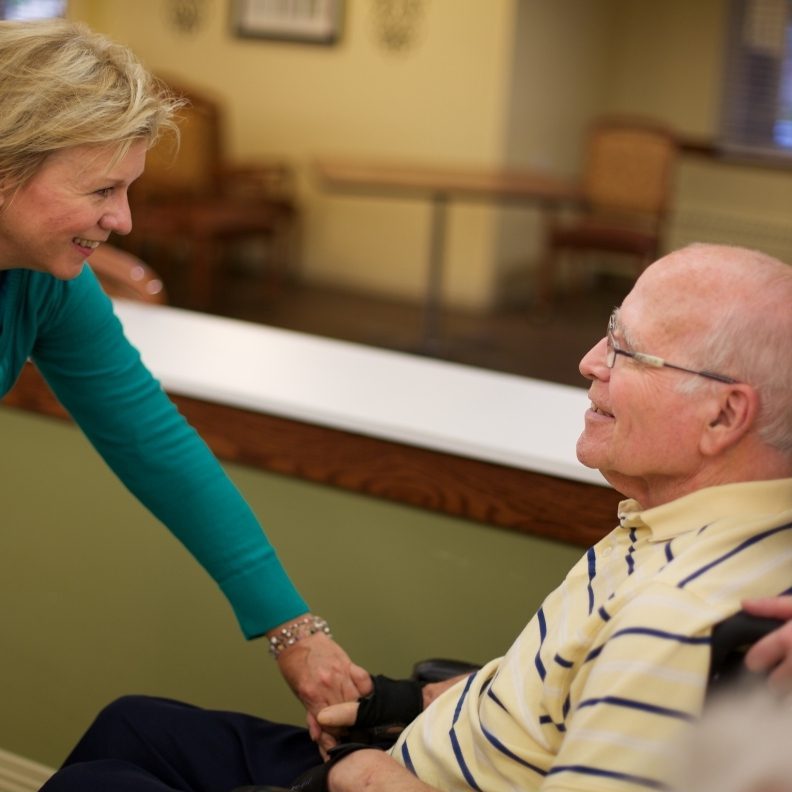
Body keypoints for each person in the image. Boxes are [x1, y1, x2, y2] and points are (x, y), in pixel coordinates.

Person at [39, 241, 792, 792]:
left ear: (725, 415)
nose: (590, 360)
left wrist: (382, 781)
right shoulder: (676, 522)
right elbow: (550, 696)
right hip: (416, 744)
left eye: (628, 351)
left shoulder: (680, 620)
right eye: (608, 330)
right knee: (133, 725)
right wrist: (404, 702)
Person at [0, 16, 370, 727]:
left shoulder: (45, 280)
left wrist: (292, 630)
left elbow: (149, 437)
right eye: (102, 190)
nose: (125, 221)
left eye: (129, 190)